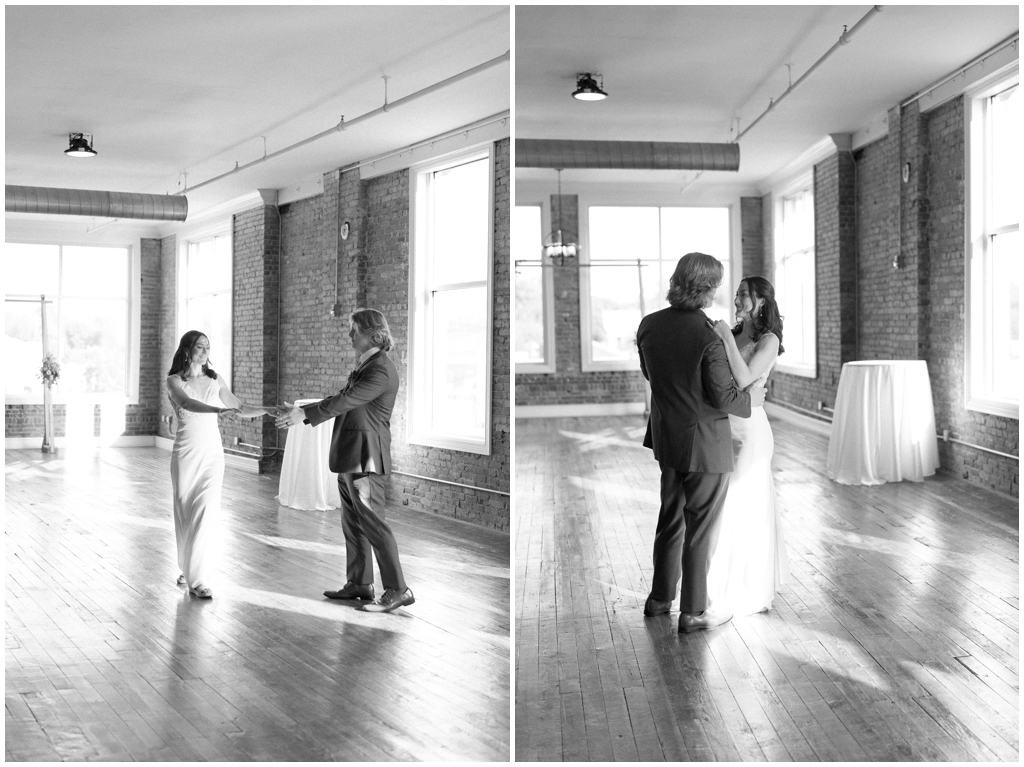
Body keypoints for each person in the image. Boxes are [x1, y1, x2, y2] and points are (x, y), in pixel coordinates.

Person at [636, 253, 765, 633]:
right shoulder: (709, 334)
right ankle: (693, 612)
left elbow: (650, 374)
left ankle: (659, 599)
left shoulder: (649, 325)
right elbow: (726, 398)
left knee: (670, 520)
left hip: (667, 439)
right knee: (701, 529)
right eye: (717, 285)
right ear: (707, 288)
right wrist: (753, 400)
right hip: (706, 445)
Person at [275, 308, 414, 614]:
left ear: (374, 334)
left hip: (366, 456)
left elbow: (345, 402)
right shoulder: (366, 366)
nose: (350, 335)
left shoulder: (380, 369)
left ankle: (398, 589)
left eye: (355, 330)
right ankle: (360, 583)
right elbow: (341, 398)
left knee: (374, 524)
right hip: (351, 454)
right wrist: (300, 410)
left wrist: (303, 414)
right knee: (353, 523)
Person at [166, 330, 271, 599]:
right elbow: (187, 402)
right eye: (200, 347)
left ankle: (197, 579)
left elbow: (240, 406)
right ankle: (187, 566)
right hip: (186, 453)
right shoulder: (174, 381)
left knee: (205, 510)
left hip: (212, 454)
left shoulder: (215, 380)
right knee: (185, 512)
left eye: (208, 347)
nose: (205, 352)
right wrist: (218, 411)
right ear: (187, 350)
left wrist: (268, 409)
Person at [707, 276, 790, 615]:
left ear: (761, 302)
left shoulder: (768, 339)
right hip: (721, 424)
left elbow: (743, 379)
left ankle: (748, 588)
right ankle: (717, 585)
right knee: (722, 507)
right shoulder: (734, 333)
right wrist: (728, 337)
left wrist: (726, 336)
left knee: (745, 505)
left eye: (744, 294)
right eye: (738, 293)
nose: (737, 299)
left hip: (751, 431)